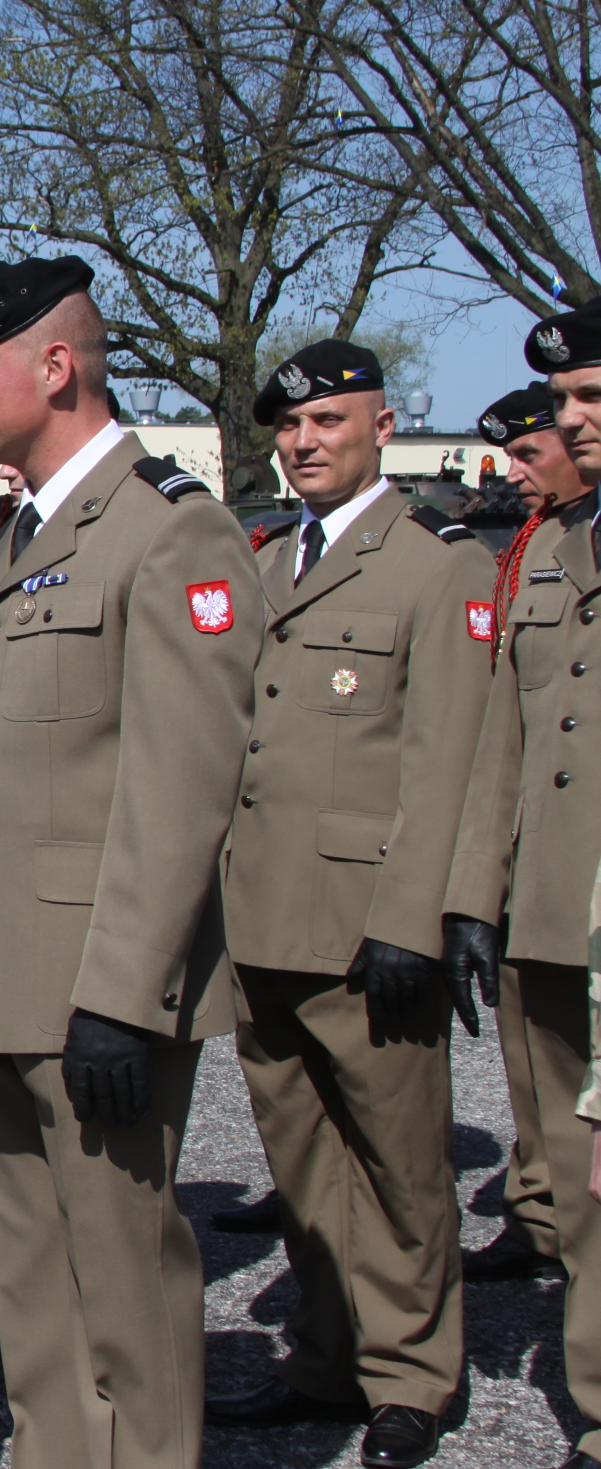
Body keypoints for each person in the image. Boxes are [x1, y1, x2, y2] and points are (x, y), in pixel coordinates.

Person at [0, 256, 259, 1469]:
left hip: (93, 983)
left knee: (122, 1277)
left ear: (56, 366)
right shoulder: (19, 532)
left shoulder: (168, 524)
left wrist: (124, 993)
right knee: (34, 1280)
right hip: (0, 973)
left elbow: (182, 785)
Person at [207, 341, 496, 1467]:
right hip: (263, 914)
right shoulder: (270, 559)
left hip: (369, 923)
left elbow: (449, 757)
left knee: (400, 1164)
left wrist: (415, 917)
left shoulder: (435, 563)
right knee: (302, 1158)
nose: (303, 442)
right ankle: (327, 1357)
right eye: (288, 426)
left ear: (384, 425)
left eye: (327, 421)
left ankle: (412, 1376)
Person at [448, 296, 601, 1469]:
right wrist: (475, 892)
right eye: (564, 400)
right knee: (579, 1180)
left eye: (591, 396)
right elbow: (505, 734)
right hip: (552, 900)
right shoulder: (552, 543)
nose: (571, 418)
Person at [457, 383, 587, 1283]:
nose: (514, 473)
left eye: (528, 452)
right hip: (531, 854)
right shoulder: (534, 547)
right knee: (534, 1060)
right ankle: (541, 1202)